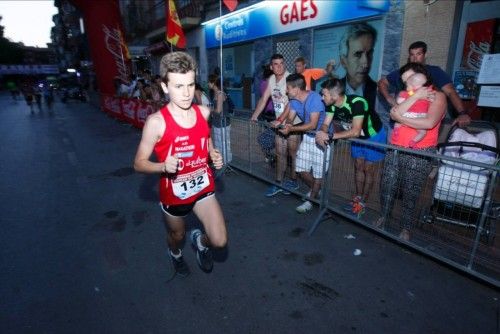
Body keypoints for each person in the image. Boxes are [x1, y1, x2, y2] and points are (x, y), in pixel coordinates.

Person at [133, 51, 227, 277]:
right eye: (178, 86)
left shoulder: (204, 112)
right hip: (175, 194)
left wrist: (213, 153)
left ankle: (201, 242)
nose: (186, 93)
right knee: (177, 237)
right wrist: (162, 166)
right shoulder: (156, 122)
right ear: (165, 87)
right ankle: (175, 253)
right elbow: (138, 163)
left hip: (203, 186)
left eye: (190, 85)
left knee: (219, 241)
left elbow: (206, 140)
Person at [375, 62, 446, 241]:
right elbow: (394, 114)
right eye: (405, 80)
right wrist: (414, 97)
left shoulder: (437, 96)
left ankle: (406, 227)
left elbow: (429, 123)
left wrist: (401, 118)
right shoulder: (406, 95)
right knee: (387, 185)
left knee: (411, 191)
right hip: (396, 147)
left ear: (422, 76)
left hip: (419, 152)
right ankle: (384, 216)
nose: (408, 83)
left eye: (411, 78)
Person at [316, 78, 386, 218]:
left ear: (334, 96)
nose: (322, 98)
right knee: (358, 166)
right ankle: (358, 198)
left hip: (373, 136)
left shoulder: (357, 103)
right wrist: (322, 131)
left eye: (324, 95)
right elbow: (326, 123)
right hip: (357, 137)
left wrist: (329, 136)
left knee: (368, 169)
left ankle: (363, 203)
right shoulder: (331, 104)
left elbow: (355, 130)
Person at [378, 41, 471, 128]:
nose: (414, 58)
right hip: (397, 125)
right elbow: (382, 82)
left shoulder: (435, 72)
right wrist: (389, 98)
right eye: (412, 54)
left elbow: (450, 92)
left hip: (421, 125)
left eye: (418, 54)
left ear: (425, 55)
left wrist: (462, 113)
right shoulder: (402, 72)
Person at [251, 54, 300, 197]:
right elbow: (264, 98)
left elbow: (292, 103)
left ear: (285, 64)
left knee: (293, 154)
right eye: (276, 64)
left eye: (281, 63)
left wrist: (280, 120)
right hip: (279, 123)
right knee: (280, 153)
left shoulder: (291, 79)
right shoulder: (271, 79)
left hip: (292, 123)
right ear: (271, 67)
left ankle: (293, 180)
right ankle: (278, 182)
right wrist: (255, 115)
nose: (279, 66)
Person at [278, 73, 328, 213]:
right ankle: (316, 190)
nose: (286, 91)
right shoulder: (293, 99)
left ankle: (310, 200)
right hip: (308, 137)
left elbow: (312, 125)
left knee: (318, 173)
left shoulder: (315, 99)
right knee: (300, 168)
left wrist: (291, 128)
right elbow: (290, 117)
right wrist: (287, 125)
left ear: (296, 89)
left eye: (288, 88)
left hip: (321, 138)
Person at [339, 22, 379, 119]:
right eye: (358, 54)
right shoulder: (332, 89)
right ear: (344, 61)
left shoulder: (377, 91)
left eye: (369, 54)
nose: (365, 63)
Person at [393, 72, 430, 148]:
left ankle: (396, 129)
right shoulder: (426, 94)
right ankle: (413, 141)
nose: (406, 87)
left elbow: (399, 101)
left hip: (407, 115)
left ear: (413, 86)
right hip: (419, 117)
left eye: (407, 85)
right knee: (423, 132)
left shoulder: (407, 93)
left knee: (398, 121)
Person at [208, 74, 232, 163]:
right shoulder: (215, 93)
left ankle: (227, 163)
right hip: (217, 123)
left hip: (223, 123)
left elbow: (218, 110)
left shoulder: (220, 94)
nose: (208, 84)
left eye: (209, 82)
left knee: (225, 144)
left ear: (213, 83)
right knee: (218, 144)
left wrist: (210, 110)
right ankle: (221, 162)